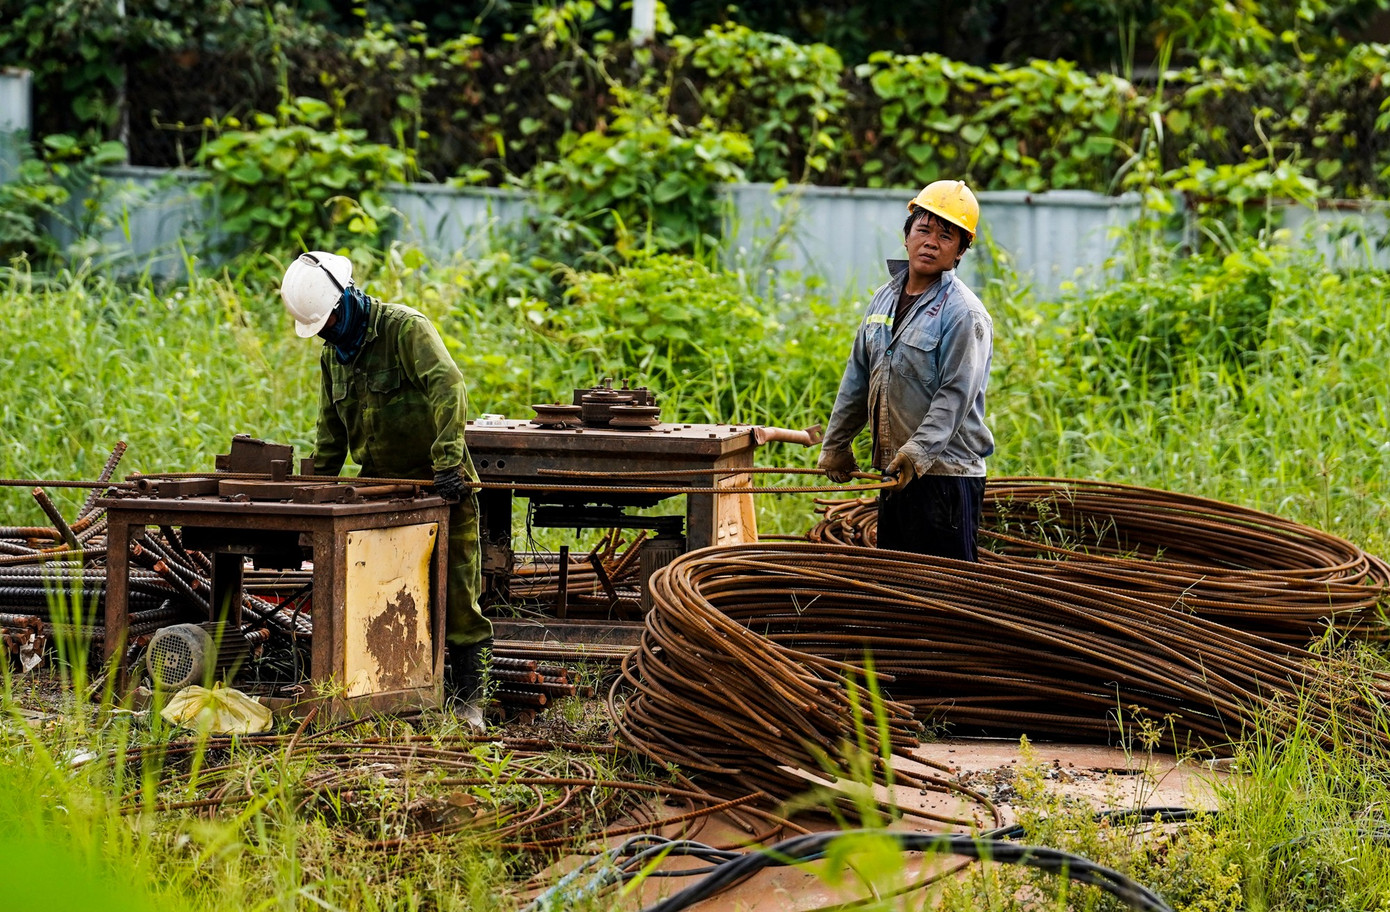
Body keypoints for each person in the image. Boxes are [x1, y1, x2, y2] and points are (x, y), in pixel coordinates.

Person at [279, 251, 493, 721]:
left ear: (346, 297)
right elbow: (329, 434)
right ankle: (390, 692)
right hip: (378, 493)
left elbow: (448, 387)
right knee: (378, 592)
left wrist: (447, 464)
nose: (328, 332)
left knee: (457, 591)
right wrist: (315, 498)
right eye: (320, 328)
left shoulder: (405, 330)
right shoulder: (332, 357)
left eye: (330, 321)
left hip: (442, 484)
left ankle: (471, 701)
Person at [816, 181, 994, 560]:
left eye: (946, 236)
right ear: (906, 236)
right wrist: (836, 444)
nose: (931, 242)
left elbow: (955, 396)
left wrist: (916, 453)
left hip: (946, 479)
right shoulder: (883, 298)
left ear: (961, 251)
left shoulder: (964, 313)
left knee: (944, 595)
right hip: (896, 474)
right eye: (923, 229)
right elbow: (858, 377)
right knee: (899, 589)